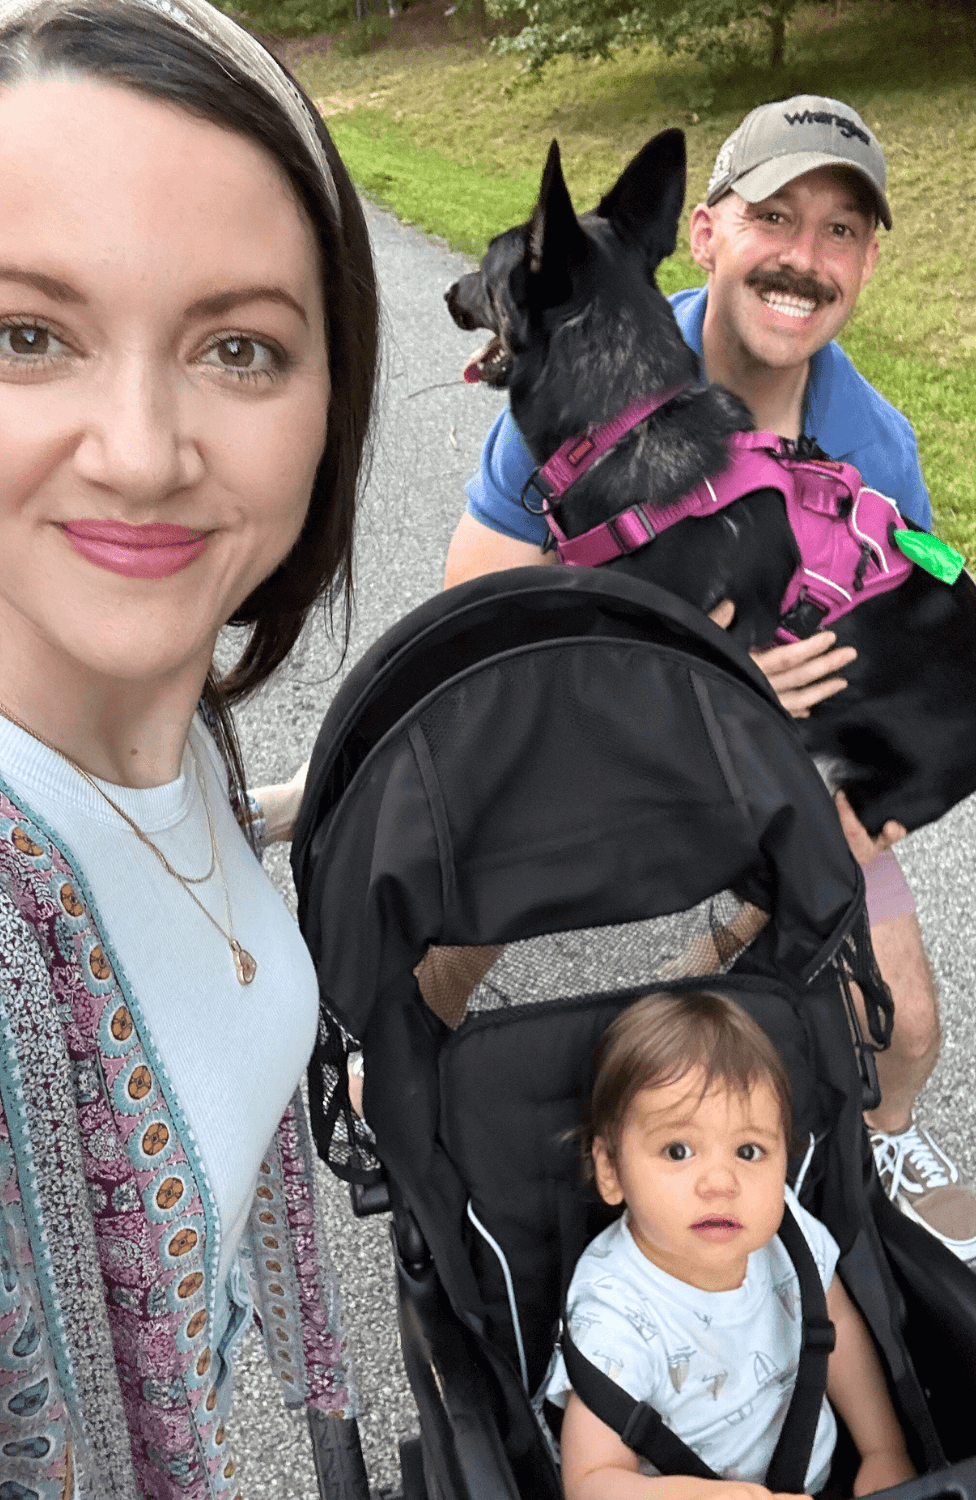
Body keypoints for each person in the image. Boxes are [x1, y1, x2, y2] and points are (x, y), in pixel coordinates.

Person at [444, 95, 976, 1262]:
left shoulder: (872, 443)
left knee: (906, 1025)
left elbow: (908, 668)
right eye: (773, 217)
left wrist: (860, 812)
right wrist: (682, 672)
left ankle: (875, 1130)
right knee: (462, 885)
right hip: (621, 715)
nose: (803, 256)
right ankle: (401, 1072)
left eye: (841, 231)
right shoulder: (584, 359)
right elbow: (471, 600)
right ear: (702, 233)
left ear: (867, 263)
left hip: (789, 758)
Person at [0, 1, 379, 1496]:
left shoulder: (161, 706)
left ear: (333, 396)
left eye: (240, 347)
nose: (142, 454)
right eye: (24, 336)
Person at [545, 990, 916, 1500]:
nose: (721, 1182)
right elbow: (590, 1481)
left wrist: (883, 1449)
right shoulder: (616, 1312)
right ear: (610, 1170)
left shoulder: (787, 1232)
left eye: (749, 1150)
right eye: (678, 1150)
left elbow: (837, 1327)